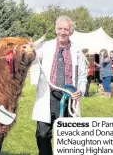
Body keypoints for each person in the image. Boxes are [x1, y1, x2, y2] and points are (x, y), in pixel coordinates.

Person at [32, 16, 87, 155]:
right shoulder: (46, 46)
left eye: (66, 29)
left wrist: (80, 90)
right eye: (60, 28)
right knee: (43, 135)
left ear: (71, 31)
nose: (62, 32)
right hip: (48, 97)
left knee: (67, 137)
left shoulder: (78, 51)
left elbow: (82, 76)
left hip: (68, 99)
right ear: (56, 29)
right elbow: (31, 57)